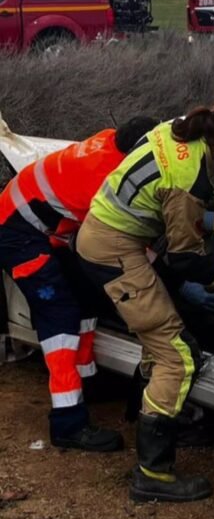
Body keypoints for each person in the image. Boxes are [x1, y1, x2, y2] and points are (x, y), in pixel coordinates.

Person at [76, 80, 214, 504]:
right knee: (177, 354)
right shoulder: (186, 174)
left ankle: (160, 415)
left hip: (114, 235)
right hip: (112, 247)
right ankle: (152, 472)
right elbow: (184, 257)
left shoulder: (180, 129)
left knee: (158, 342)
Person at [0, 117, 158, 452]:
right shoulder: (101, 179)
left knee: (85, 298)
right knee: (60, 317)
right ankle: (68, 422)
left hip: (40, 227)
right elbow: (115, 236)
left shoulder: (110, 140)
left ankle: (89, 384)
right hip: (17, 235)